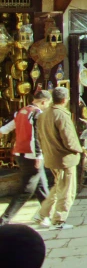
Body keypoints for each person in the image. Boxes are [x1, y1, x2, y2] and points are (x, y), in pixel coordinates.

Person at [0, 90, 52, 227]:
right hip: (31, 155)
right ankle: (4, 219)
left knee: (41, 185)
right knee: (26, 190)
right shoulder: (37, 114)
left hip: (20, 153)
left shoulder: (21, 112)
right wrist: (39, 155)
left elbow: (5, 129)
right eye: (48, 103)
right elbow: (36, 137)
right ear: (43, 101)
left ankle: (46, 214)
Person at [36, 87, 83, 230]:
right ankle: (58, 220)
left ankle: (42, 213)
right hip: (64, 158)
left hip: (51, 157)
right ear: (65, 99)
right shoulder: (61, 115)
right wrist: (79, 150)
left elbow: (39, 137)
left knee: (58, 187)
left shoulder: (44, 114)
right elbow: (69, 139)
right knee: (67, 190)